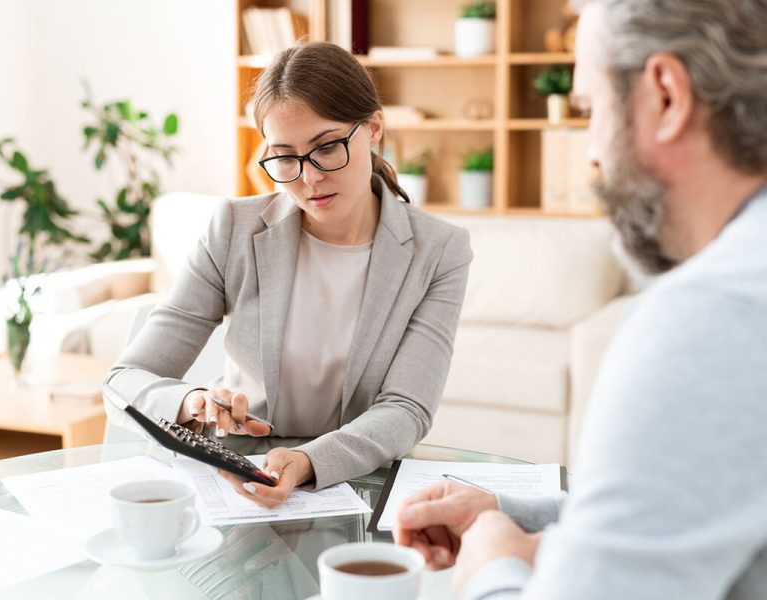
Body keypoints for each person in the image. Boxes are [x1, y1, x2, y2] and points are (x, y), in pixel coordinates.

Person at [394, 1, 767, 598]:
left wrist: (492, 561)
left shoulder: (709, 320)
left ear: (665, 96)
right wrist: (511, 514)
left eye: (590, 109)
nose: (590, 153)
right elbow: (697, 512)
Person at [104, 42, 472, 509]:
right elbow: (123, 380)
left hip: (357, 484)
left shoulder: (439, 250)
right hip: (241, 483)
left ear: (374, 128)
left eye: (327, 147)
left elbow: (407, 409)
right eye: (285, 157)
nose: (308, 178)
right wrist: (190, 401)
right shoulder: (232, 230)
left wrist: (308, 460)